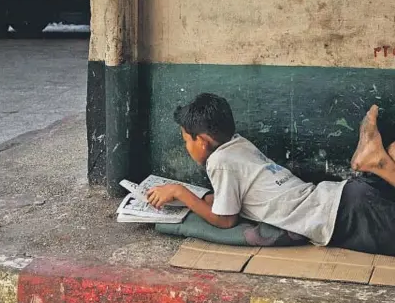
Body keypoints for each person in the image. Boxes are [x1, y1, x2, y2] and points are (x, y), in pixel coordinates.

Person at [146, 93, 395, 255]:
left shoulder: (220, 161)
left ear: (201, 141)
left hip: (344, 217)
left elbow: (225, 221)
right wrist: (206, 200)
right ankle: (382, 160)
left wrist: (181, 192)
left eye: (185, 141)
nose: (186, 147)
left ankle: (379, 162)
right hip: (344, 195)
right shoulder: (238, 143)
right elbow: (237, 197)